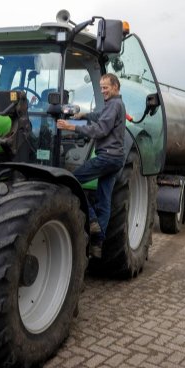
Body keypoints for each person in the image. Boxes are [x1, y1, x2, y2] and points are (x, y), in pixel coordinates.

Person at [57, 73, 126, 259]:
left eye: (106, 87)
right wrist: (84, 114)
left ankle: (93, 221)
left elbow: (100, 129)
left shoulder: (114, 105)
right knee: (105, 202)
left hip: (107, 158)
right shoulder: (113, 105)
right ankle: (97, 245)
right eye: (101, 87)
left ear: (115, 87)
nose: (103, 90)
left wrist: (72, 126)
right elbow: (100, 116)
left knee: (73, 181)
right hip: (116, 159)